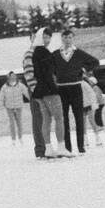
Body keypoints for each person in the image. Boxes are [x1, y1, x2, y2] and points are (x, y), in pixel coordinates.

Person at [29, 29, 63, 158]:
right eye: (44, 37)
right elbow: (33, 74)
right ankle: (58, 147)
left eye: (49, 37)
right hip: (45, 89)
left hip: (39, 90)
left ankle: (47, 149)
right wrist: (36, 88)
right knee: (57, 118)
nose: (47, 40)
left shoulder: (35, 52)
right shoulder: (39, 52)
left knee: (46, 120)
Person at [52, 28, 87, 155]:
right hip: (62, 88)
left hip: (76, 87)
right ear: (62, 38)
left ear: (73, 39)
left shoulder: (78, 53)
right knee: (64, 118)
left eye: (70, 37)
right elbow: (49, 67)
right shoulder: (56, 54)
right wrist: (56, 74)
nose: (67, 40)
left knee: (79, 117)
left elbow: (94, 62)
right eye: (65, 37)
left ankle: (81, 146)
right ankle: (67, 147)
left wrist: (82, 70)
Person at [0, 70, 29, 144]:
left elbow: (26, 92)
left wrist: (31, 99)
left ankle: (20, 137)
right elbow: (1, 96)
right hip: (9, 107)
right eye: (11, 77)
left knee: (19, 123)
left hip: (18, 106)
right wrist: (1, 105)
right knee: (12, 123)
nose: (13, 78)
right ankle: (13, 139)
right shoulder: (5, 87)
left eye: (14, 76)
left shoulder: (20, 85)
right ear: (8, 78)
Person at [85, 70, 105, 146]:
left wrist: (94, 102)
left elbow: (96, 95)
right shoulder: (94, 87)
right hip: (98, 103)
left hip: (99, 103)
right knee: (96, 115)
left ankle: (100, 126)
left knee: (97, 115)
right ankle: (99, 127)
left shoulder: (95, 87)